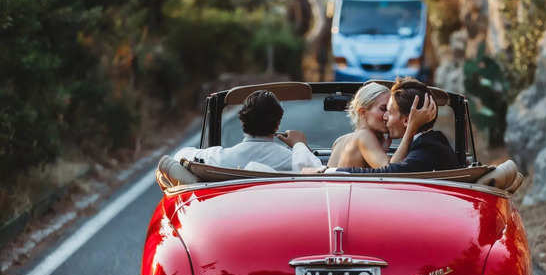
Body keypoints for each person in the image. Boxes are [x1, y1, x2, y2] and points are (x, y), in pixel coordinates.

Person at [322, 78, 458, 174]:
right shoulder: (364, 136)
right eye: (383, 109)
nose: (386, 116)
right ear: (363, 112)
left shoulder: (341, 140)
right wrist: (410, 130)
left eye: (389, 110)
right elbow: (389, 174)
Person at [174, 90, 320, 171]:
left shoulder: (221, 158)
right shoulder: (291, 160)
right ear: (277, 124)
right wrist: (299, 144)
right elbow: (316, 171)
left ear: (243, 121)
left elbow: (180, 156)